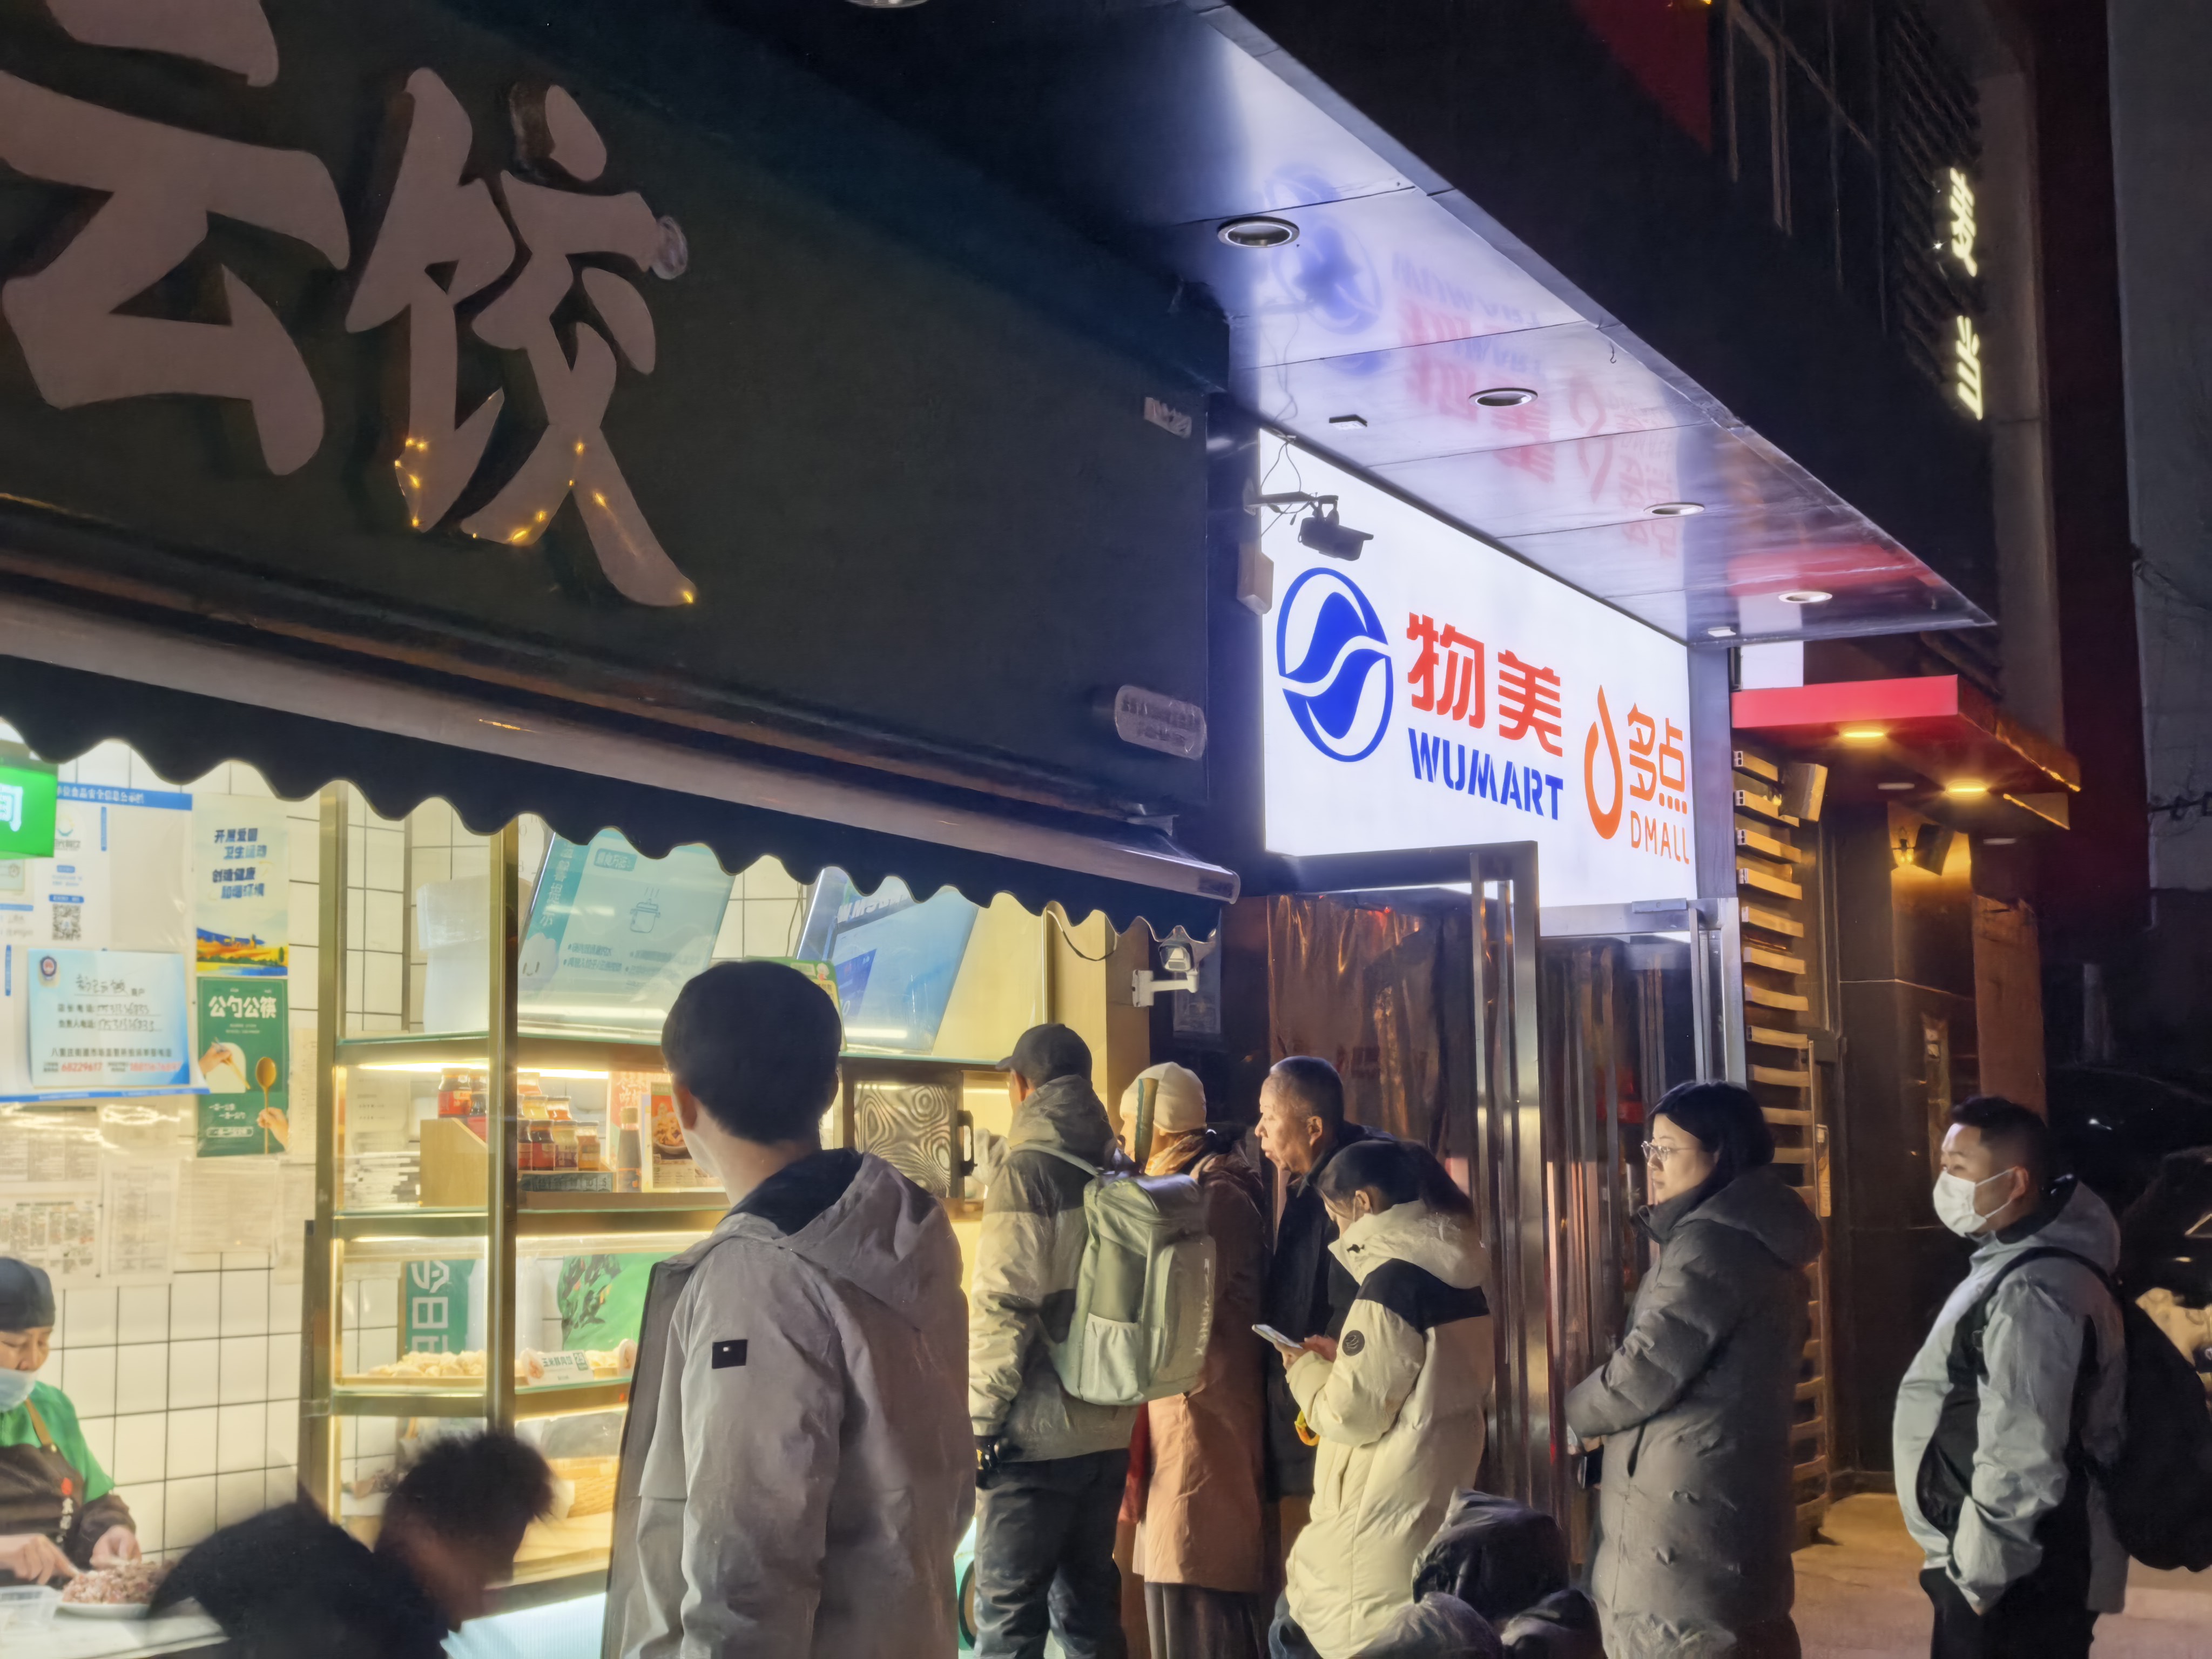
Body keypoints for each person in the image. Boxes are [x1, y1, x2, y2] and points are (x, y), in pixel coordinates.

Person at [604, 960, 972, 1658]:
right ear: (830, 1087)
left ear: (681, 1103)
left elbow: (742, 1571)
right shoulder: (906, 1233)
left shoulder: (756, 1275)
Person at [1562, 1080, 1822, 1659]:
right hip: (1724, 1489)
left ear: (1720, 1152)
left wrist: (1571, 1417)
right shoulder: (1753, 1235)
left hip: (1684, 1516)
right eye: (1649, 1149)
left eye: (1667, 1150)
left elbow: (1645, 1370)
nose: (1652, 1166)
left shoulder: (1711, 1246)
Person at [1893, 1096, 2127, 1659]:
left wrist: (1977, 1578)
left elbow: (2024, 1451)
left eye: (1958, 1168)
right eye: (1943, 1165)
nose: (1945, 1182)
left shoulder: (2034, 1291)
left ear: (2016, 1181)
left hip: (2018, 1575)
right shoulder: (2021, 1261)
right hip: (2020, 1564)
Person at [1271, 1137, 1493, 1659]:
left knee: (1294, 1629)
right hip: (1424, 1511)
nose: (1337, 1230)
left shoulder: (1391, 1284)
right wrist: (1342, 1363)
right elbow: (1416, 1385)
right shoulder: (1458, 1275)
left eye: (1336, 1215)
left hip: (1368, 1543)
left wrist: (1303, 1370)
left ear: (1363, 1203)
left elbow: (1349, 1414)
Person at [970, 1022, 1139, 1659]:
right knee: (1089, 1612)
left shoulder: (1026, 1175)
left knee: (1010, 1623)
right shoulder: (1117, 1164)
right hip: (1108, 1429)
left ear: (1020, 1086)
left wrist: (980, 1422)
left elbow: (1003, 1305)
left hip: (1033, 1438)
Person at [153, 1430, 553, 1658]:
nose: (483, 1602)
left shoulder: (292, 1551)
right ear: (424, 1538)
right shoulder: (374, 1634)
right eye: (481, 1573)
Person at [1125, 1062, 1270, 1659]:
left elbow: (1174, 1302)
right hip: (1182, 1415)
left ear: (1156, 1128)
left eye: (1129, 1122)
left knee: (1199, 1588)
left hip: (1204, 1418)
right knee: (1176, 1576)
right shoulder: (1187, 1186)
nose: (1123, 1135)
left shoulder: (1217, 1196)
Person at [1254, 1056, 1377, 1521]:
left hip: (1337, 1394)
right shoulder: (1315, 1180)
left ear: (1313, 1128)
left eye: (1269, 1117)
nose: (1259, 1130)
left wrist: (1317, 1377)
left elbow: (1350, 1303)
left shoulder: (1353, 1187)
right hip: (1311, 1389)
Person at [0, 1257, 138, 1586]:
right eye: (14, 1344)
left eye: (43, 1341)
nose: (33, 1360)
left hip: (49, 1609)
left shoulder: (51, 1408)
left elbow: (94, 1503)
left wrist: (111, 1531)